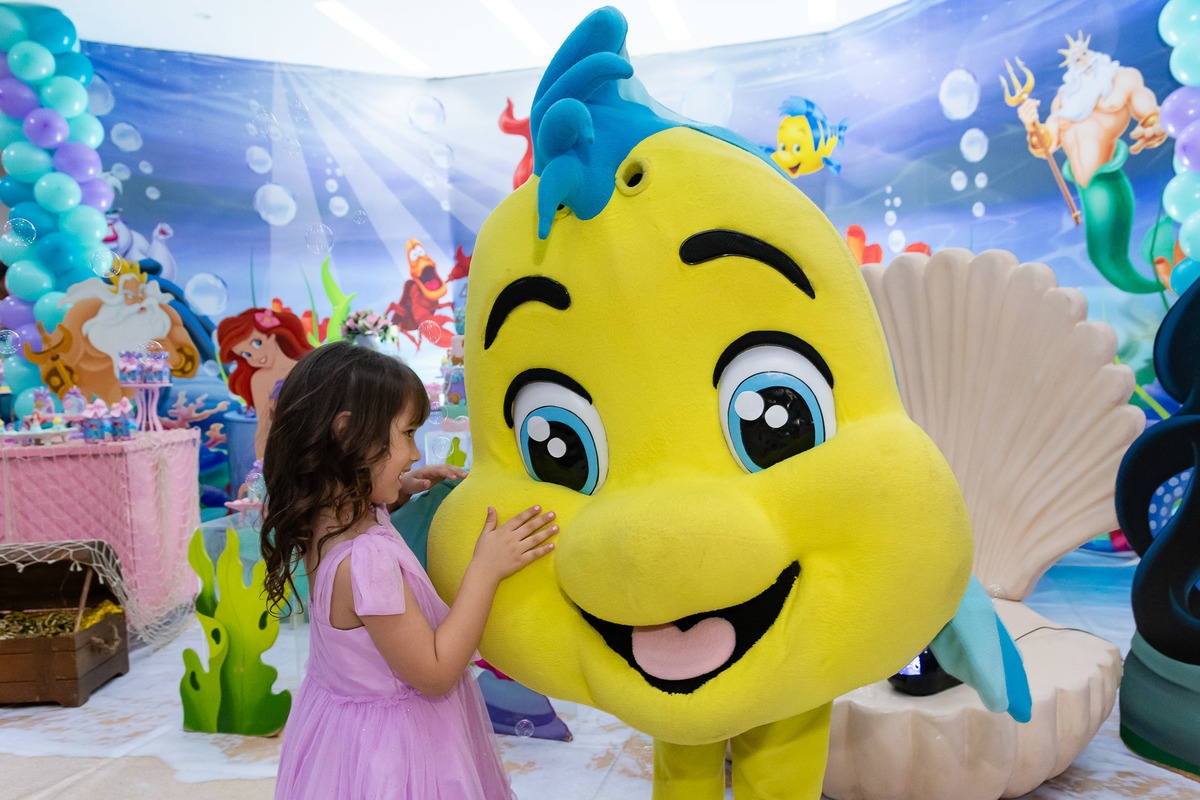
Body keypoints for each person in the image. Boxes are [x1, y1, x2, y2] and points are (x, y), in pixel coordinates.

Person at [262, 341, 557, 800]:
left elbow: (355, 503)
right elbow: (436, 672)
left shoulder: (321, 516)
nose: (415, 454)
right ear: (348, 437)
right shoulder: (369, 561)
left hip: (344, 737)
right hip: (399, 754)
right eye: (407, 434)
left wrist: (398, 488)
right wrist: (487, 567)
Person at [1017, 32, 1167, 293]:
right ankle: (1160, 280)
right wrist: (1031, 125)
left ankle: (1162, 275)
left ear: (1095, 55)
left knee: (1110, 258)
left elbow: (1149, 111)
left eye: (1084, 54)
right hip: (1085, 189)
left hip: (1108, 181)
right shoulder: (1064, 101)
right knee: (1102, 258)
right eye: (1075, 59)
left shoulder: (1122, 79)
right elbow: (1046, 146)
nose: (1082, 60)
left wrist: (1154, 126)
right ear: (1070, 68)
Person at [217, 306, 313, 458]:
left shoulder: (308, 368)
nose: (255, 356)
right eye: (246, 354)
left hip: (318, 446)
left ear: (272, 335)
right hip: (287, 450)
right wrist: (261, 467)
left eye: (257, 343)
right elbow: (263, 429)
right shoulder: (260, 379)